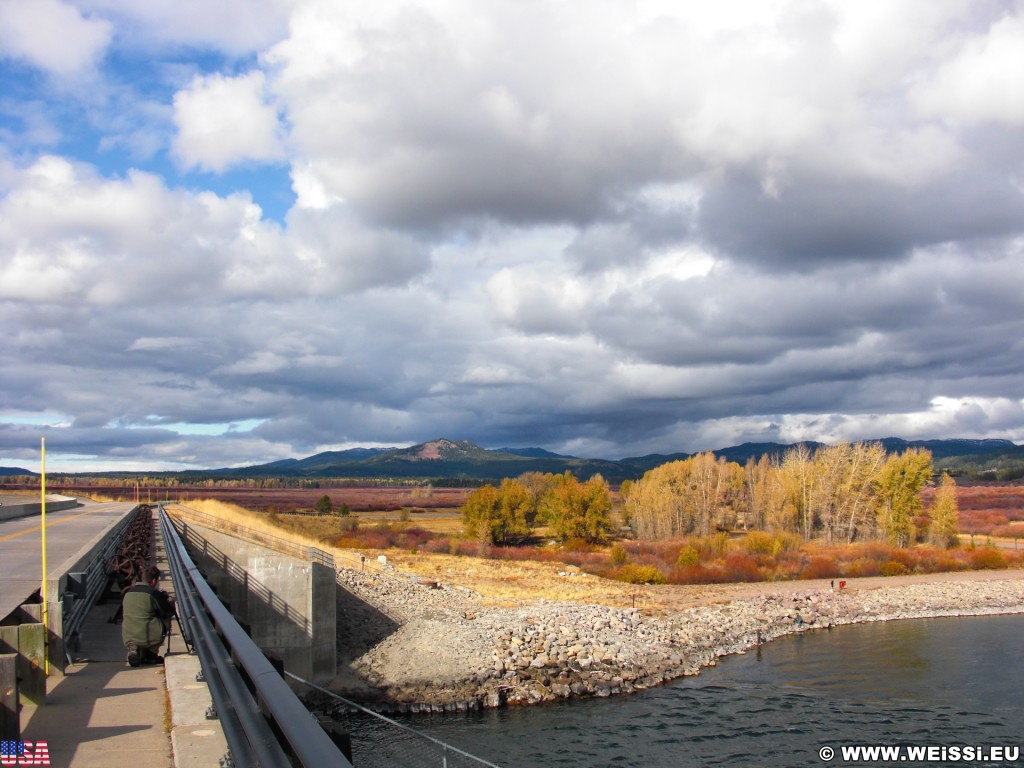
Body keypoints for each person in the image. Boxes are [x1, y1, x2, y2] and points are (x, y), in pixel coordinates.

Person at [121, 565, 175, 666]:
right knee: (165, 620)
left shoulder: (128, 592)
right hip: (147, 635)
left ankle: (134, 649)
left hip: (128, 635)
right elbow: (167, 612)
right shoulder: (153, 593)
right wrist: (170, 603)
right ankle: (151, 654)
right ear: (154, 581)